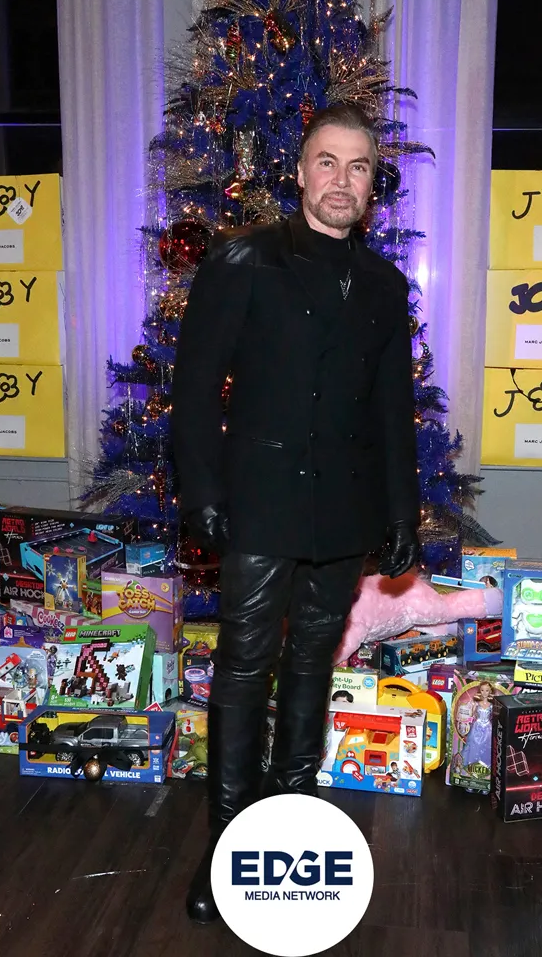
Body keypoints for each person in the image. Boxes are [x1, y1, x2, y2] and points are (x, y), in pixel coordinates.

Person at [172, 103, 420, 923]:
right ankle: (228, 848)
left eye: (358, 166)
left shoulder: (384, 285)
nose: (341, 180)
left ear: (372, 183)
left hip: (344, 508)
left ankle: (291, 819)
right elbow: (195, 390)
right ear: (302, 170)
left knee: (313, 660)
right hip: (260, 503)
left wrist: (402, 513)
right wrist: (202, 494)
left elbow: (391, 410)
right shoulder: (244, 260)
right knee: (244, 667)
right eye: (327, 162)